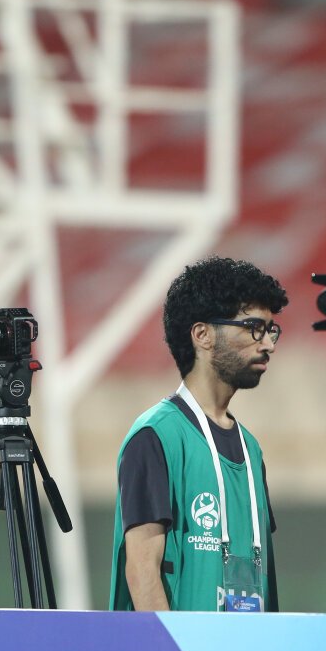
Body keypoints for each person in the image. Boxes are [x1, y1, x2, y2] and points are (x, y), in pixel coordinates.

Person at [109, 257, 287, 612]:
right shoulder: (156, 435)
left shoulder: (251, 449)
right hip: (178, 649)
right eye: (254, 328)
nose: (268, 344)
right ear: (202, 335)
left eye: (271, 330)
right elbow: (142, 573)